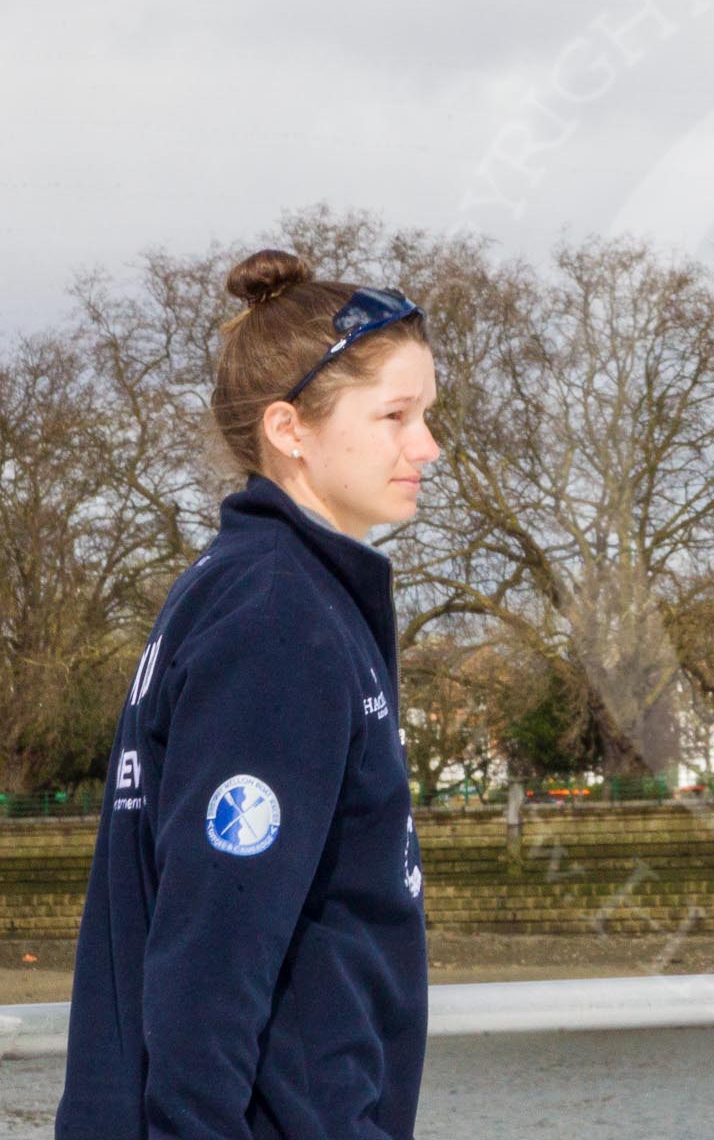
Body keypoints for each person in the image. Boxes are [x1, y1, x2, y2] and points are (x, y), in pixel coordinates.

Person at [56, 249, 439, 1138]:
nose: (427, 446)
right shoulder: (280, 620)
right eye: (395, 416)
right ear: (288, 428)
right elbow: (213, 950)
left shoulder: (249, 588)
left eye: (427, 415)